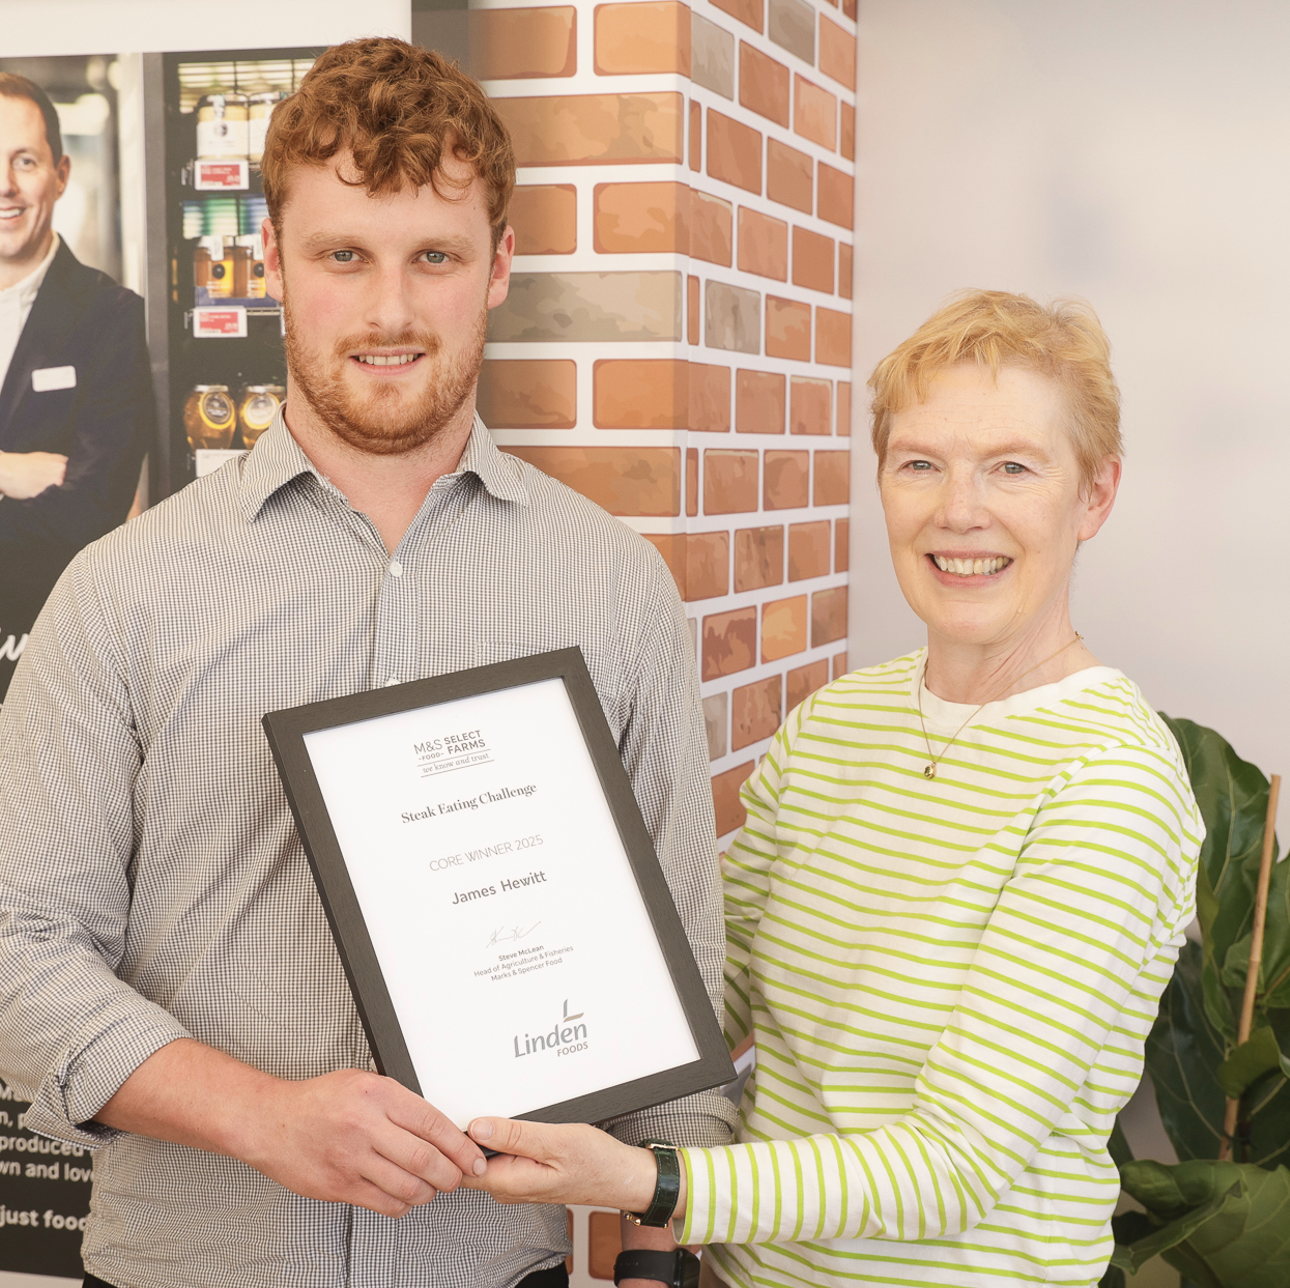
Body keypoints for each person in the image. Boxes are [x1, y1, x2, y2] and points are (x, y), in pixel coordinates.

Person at [0, 38, 733, 1288]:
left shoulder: (612, 588)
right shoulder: (120, 590)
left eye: (433, 257)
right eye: (345, 255)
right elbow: (20, 950)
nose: (390, 311)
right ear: (274, 261)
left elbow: (677, 995)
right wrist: (263, 1117)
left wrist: (654, 1263)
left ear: (499, 267)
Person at [460, 291, 1204, 1288]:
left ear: (1095, 495)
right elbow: (710, 994)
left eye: (1013, 468)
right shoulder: (837, 723)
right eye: (920, 463)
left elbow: (956, 1163)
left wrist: (653, 1183)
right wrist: (503, 993)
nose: (958, 510)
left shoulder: (1113, 781)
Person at [0, 71, 154, 697]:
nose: (5, 186)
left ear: (61, 174)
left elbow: (92, 510)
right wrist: (11, 469)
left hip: (46, 655)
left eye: (25, 161)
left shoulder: (111, 316)